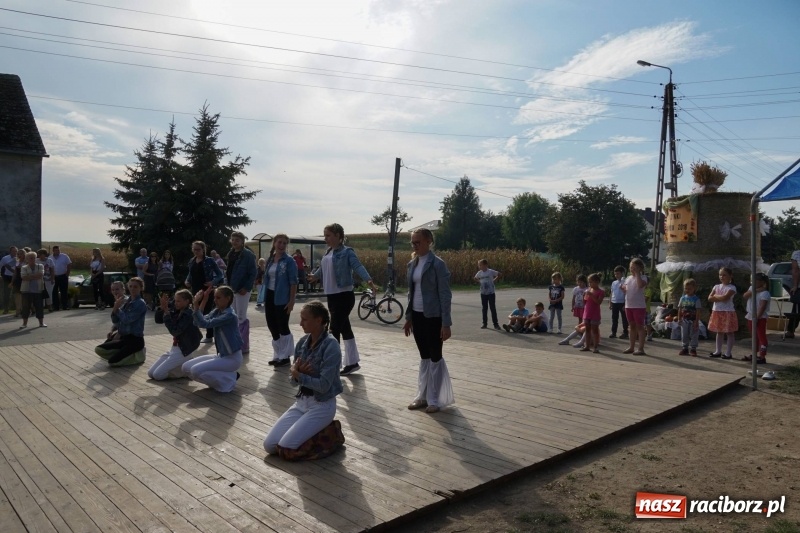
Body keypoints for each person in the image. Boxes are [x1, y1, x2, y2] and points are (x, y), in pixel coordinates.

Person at [263, 301, 345, 460]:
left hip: (322, 404)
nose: (300, 324)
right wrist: (296, 374)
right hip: (302, 401)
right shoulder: (302, 343)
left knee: (286, 448)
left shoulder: (331, 345)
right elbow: (292, 381)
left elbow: (323, 385)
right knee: (270, 445)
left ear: (319, 320)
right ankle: (313, 429)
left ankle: (331, 434)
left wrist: (299, 375)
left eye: (305, 319)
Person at [309, 223, 377, 376]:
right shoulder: (329, 252)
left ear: (338, 236)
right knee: (345, 328)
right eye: (325, 235)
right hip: (332, 295)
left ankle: (332, 366)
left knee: (333, 329)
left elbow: (358, 266)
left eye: (328, 235)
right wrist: (315, 276)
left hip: (344, 296)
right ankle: (352, 362)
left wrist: (369, 280)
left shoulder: (347, 252)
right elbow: (323, 268)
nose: (325, 238)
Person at [403, 228, 454, 414]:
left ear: (428, 242)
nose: (414, 245)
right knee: (424, 356)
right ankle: (422, 396)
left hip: (433, 316)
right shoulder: (412, 264)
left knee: (435, 357)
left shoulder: (438, 264)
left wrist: (446, 323)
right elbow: (411, 293)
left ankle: (435, 399)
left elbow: (445, 294)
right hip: (417, 316)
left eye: (418, 242)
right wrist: (409, 318)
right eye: (412, 242)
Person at [181, 286, 243, 393]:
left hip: (233, 359)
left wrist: (196, 304)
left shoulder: (229, 315)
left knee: (195, 370)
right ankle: (228, 377)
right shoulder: (217, 311)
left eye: (218, 298)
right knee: (185, 367)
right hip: (221, 356)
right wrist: (203, 300)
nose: (215, 300)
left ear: (228, 298)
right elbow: (198, 321)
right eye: (214, 298)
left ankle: (228, 381)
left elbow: (205, 323)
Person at [149, 289, 201, 380]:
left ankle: (186, 370)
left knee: (158, 375)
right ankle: (185, 364)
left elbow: (175, 331)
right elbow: (158, 320)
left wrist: (166, 313)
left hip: (183, 350)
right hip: (175, 349)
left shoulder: (189, 314)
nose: (175, 303)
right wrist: (162, 308)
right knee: (151, 373)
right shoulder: (177, 311)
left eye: (178, 301)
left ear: (187, 301)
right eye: (175, 300)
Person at [94, 277, 148, 366]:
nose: (132, 289)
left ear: (141, 288)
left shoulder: (140, 303)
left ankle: (139, 356)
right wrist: (115, 309)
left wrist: (117, 308)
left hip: (135, 340)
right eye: (130, 286)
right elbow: (115, 320)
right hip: (124, 338)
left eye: (135, 287)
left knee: (112, 363)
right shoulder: (127, 302)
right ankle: (122, 353)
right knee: (99, 349)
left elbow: (127, 320)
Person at [263, 234, 299, 367]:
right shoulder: (271, 259)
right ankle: (278, 354)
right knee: (272, 325)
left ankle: (286, 357)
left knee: (282, 326)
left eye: (284, 243)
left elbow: (293, 282)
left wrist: (291, 301)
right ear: (274, 243)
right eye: (279, 242)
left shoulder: (289, 261)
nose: (282, 245)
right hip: (270, 295)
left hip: (283, 297)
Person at [185, 241, 224, 344]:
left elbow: (220, 274)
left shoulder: (209, 261)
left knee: (207, 312)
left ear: (203, 250)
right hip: (195, 289)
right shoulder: (192, 261)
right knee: (195, 312)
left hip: (207, 289)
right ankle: (196, 335)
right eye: (194, 249)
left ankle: (210, 335)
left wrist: (213, 282)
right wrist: (187, 281)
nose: (196, 251)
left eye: (198, 249)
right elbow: (190, 273)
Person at [225, 231, 258, 355]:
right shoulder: (231, 253)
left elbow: (253, 272)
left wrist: (247, 287)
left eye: (237, 240)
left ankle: (244, 344)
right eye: (233, 240)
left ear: (242, 241)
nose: (234, 242)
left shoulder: (247, 255)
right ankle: (234, 342)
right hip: (232, 288)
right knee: (233, 315)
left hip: (242, 289)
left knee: (241, 316)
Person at [708, 267, 738, 359]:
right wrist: (719, 297)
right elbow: (709, 298)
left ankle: (728, 353)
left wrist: (716, 296)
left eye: (724, 275)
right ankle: (718, 351)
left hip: (727, 312)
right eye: (720, 275)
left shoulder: (732, 287)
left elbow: (726, 298)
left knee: (729, 332)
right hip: (717, 311)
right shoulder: (716, 286)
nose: (722, 277)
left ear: (730, 276)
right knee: (719, 332)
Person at [621, 258, 648, 356]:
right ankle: (631, 347)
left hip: (639, 306)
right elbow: (627, 291)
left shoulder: (643, 277)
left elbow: (640, 285)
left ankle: (641, 348)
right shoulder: (628, 278)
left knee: (640, 327)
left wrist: (637, 274)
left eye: (635, 267)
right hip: (629, 305)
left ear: (640, 268)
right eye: (631, 267)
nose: (632, 269)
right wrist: (623, 289)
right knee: (631, 326)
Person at [742, 272, 770, 364]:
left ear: (761, 282)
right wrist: (755, 290)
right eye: (751, 281)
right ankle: (754, 354)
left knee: (761, 335)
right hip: (750, 316)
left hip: (759, 317)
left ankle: (762, 356)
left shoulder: (765, 293)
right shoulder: (752, 289)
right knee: (754, 336)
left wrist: (757, 318)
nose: (752, 283)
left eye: (755, 281)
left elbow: (762, 307)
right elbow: (745, 296)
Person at [19, 251, 46, 328]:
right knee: (25, 307)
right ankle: (24, 323)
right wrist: (34, 276)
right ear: (27, 259)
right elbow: (23, 277)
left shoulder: (40, 266)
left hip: (38, 290)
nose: (33, 259)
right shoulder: (24, 267)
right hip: (26, 290)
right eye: (31, 258)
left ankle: (41, 323)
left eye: (34, 258)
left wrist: (29, 276)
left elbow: (41, 275)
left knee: (39, 307)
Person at [676, 278, 702, 357]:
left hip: (693, 320)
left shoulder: (696, 299)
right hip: (684, 320)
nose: (687, 290)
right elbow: (680, 309)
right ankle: (685, 348)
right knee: (684, 334)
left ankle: (693, 349)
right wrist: (679, 318)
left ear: (694, 289)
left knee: (694, 334)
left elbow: (698, 310)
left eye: (689, 289)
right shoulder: (682, 298)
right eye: (686, 288)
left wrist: (696, 321)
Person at [581, 273, 604, 353]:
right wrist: (584, 296)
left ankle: (595, 346)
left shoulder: (600, 292)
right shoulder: (589, 290)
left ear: (597, 282)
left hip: (595, 313)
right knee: (587, 329)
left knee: (594, 330)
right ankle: (587, 345)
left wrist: (592, 295)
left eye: (591, 282)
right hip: (587, 312)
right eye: (589, 282)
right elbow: (585, 302)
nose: (589, 284)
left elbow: (598, 302)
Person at [474, 259, 500, 330]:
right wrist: (480, 281)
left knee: (492, 308)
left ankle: (496, 324)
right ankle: (484, 323)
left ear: (485, 265)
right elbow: (475, 278)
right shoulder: (480, 273)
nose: (480, 266)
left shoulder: (490, 272)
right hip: (483, 293)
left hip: (491, 292)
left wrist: (494, 280)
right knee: (484, 308)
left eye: (481, 265)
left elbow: (498, 274)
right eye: (479, 265)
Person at [608, 265, 629, 339]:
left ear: (622, 273)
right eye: (615, 274)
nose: (616, 275)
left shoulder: (625, 281)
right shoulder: (614, 283)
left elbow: (627, 293)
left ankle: (625, 332)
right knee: (614, 318)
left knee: (624, 318)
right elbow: (612, 293)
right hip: (615, 302)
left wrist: (625, 304)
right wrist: (610, 302)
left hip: (622, 302)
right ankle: (614, 332)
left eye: (618, 273)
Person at [50, 245, 72, 311]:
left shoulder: (64, 256)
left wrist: (67, 274)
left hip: (63, 276)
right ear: (53, 251)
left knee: (64, 291)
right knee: (54, 292)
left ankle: (65, 306)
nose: (58, 251)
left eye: (59, 250)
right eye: (56, 250)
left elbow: (69, 264)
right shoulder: (50, 257)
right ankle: (56, 306)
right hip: (54, 277)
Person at [787, 248, 800, 338]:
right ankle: (790, 330)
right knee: (796, 309)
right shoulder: (797, 254)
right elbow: (795, 271)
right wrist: (795, 285)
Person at [1, 245, 17, 314]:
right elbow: (0, 266)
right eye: (13, 251)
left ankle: (18, 308)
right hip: (7, 277)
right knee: (6, 294)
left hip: (16, 277)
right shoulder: (5, 258)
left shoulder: (19, 258)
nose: (15, 252)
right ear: (10, 251)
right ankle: (6, 309)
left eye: (16, 251)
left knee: (17, 293)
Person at [10, 249, 24, 317]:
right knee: (17, 296)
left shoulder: (27, 262)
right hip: (17, 280)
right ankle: (17, 310)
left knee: (24, 297)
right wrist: (12, 282)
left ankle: (24, 310)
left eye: (20, 254)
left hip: (24, 280)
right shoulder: (17, 262)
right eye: (18, 254)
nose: (19, 255)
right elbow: (15, 273)